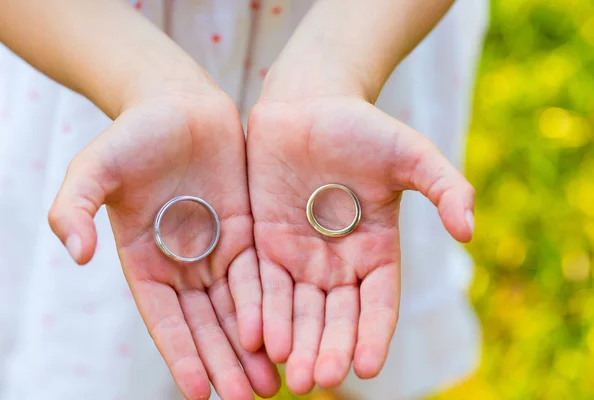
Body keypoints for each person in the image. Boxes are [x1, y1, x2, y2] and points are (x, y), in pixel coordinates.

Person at [0, 1, 488, 399]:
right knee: (123, 347)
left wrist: (338, 64)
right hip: (92, 53)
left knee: (348, 321)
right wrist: (143, 84)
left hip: (370, 35)